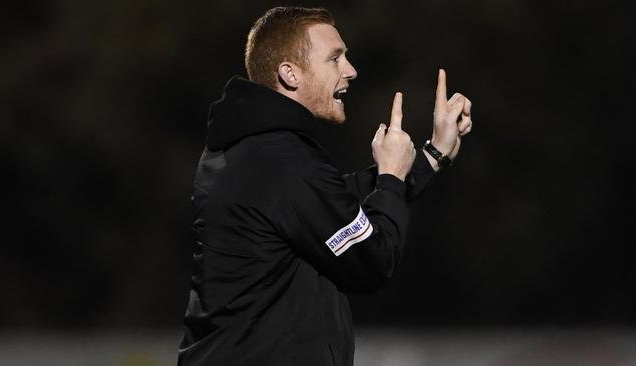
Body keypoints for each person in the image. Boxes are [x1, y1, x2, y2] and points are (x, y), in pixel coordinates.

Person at [177, 6, 472, 366]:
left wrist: (431, 156)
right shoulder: (283, 161)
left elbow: (334, 204)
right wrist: (391, 176)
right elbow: (371, 259)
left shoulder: (253, 149)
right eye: (335, 58)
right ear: (290, 73)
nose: (350, 70)